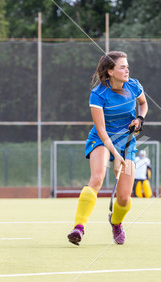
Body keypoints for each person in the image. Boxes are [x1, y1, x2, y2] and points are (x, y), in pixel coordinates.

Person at [67, 51, 148, 246]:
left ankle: (116, 222)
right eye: (122, 67)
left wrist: (139, 119)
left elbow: (143, 104)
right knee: (97, 179)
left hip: (126, 141)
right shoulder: (98, 94)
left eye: (127, 66)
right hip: (102, 140)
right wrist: (115, 154)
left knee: (124, 198)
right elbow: (101, 130)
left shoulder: (134, 86)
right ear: (110, 71)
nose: (127, 69)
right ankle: (79, 228)